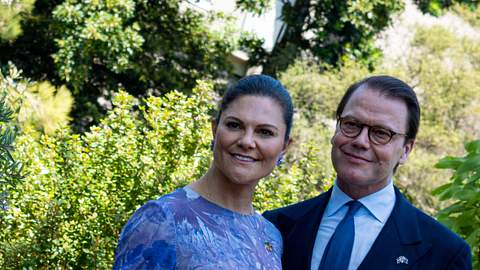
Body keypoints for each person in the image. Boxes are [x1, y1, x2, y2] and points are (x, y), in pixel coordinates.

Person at [264, 75, 472, 270]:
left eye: (381, 133)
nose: (361, 141)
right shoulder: (276, 227)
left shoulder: (445, 254)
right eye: (351, 125)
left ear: (406, 150)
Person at [113, 74, 293, 269]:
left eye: (265, 132)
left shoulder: (270, 236)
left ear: (284, 146)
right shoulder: (162, 219)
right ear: (215, 130)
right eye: (234, 125)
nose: (247, 141)